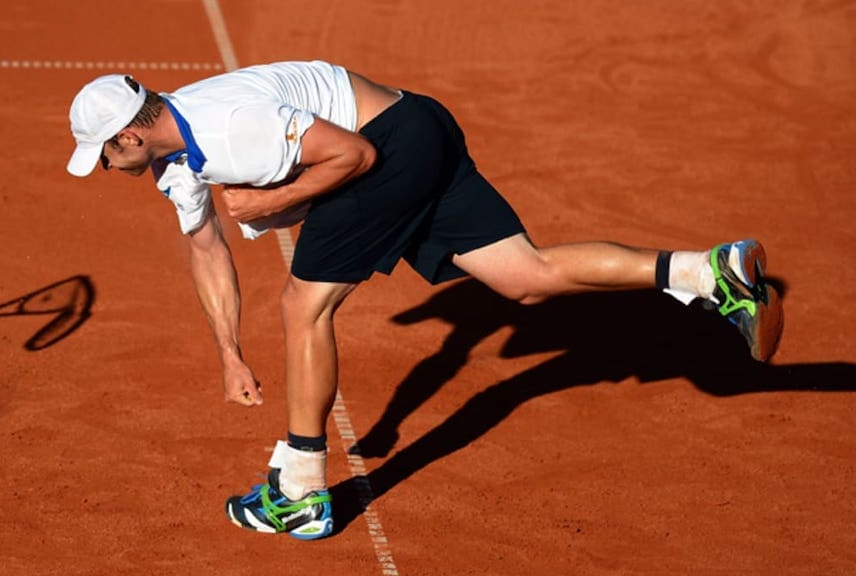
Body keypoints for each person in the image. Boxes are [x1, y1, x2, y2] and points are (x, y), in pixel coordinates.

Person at [65, 60, 783, 540]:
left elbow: (353, 158)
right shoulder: (177, 155)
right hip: (416, 126)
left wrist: (271, 198)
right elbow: (205, 248)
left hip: (385, 145)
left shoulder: (229, 130)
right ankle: (705, 272)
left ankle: (302, 488)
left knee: (302, 306)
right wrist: (228, 352)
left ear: (128, 133)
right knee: (524, 277)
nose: (104, 167)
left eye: (103, 154)